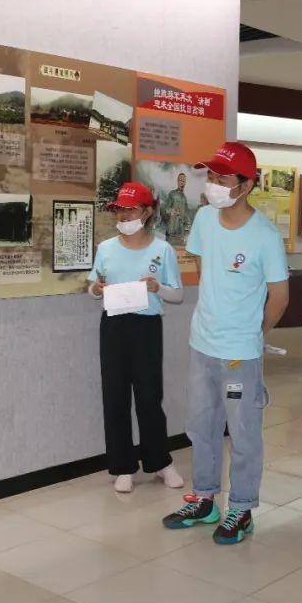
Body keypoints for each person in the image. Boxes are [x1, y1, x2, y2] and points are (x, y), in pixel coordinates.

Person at [162, 142, 289, 544]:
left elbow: (280, 296)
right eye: (211, 175)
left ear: (246, 185)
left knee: (244, 434)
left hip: (239, 355)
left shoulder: (265, 236)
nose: (213, 183)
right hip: (203, 344)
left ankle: (242, 509)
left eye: (223, 177)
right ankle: (204, 499)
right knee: (201, 427)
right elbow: (205, 269)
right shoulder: (204, 218)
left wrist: (253, 333)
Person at [88, 181, 185, 493]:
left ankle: (160, 462)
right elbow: (92, 287)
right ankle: (123, 466)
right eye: (120, 209)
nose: (124, 215)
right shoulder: (106, 248)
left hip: (146, 328)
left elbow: (178, 295)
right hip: (114, 326)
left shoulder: (162, 250)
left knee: (149, 397)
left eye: (131, 209)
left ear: (146, 212)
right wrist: (96, 288)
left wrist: (158, 288)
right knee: (115, 396)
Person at [162, 172, 192, 240]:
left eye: (183, 181)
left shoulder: (184, 198)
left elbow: (186, 214)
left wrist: (188, 228)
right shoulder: (172, 194)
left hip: (180, 233)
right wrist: (173, 211)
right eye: (180, 180)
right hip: (171, 231)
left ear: (185, 183)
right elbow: (166, 209)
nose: (182, 183)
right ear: (177, 181)